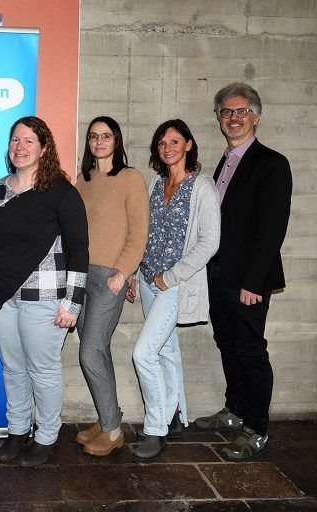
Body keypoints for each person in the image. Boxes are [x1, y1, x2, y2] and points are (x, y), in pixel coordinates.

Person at [0, 116, 88, 467]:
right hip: (1, 298)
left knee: (43, 369)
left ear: (43, 148)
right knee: (12, 368)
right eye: (15, 140)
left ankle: (47, 435)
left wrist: (74, 302)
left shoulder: (61, 192)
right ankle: (18, 430)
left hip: (46, 298)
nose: (20, 147)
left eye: (28, 141)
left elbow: (79, 247)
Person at [194, 83, 292, 462]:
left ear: (256, 116)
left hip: (247, 281)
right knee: (227, 343)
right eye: (226, 112)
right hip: (218, 273)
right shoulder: (224, 162)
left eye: (241, 111)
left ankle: (257, 428)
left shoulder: (271, 163)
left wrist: (254, 283)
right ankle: (235, 411)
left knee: (250, 351)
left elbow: (271, 230)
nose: (233, 118)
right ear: (220, 119)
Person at [131, 119, 220, 462]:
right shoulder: (156, 184)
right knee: (165, 352)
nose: (167, 147)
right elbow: (145, 233)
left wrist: (173, 275)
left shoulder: (203, 187)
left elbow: (210, 241)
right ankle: (174, 415)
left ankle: (156, 430)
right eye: (162, 143)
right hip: (149, 280)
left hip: (175, 284)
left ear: (189, 145)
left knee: (143, 353)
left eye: (174, 141)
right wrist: (135, 274)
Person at [74, 116, 148, 456]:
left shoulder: (130, 178)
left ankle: (114, 431)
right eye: (93, 136)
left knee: (90, 352)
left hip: (109, 279)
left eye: (106, 136)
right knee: (96, 352)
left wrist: (123, 273)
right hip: (80, 276)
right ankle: (108, 418)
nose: (99, 141)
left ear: (116, 141)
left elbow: (139, 233)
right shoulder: (83, 180)